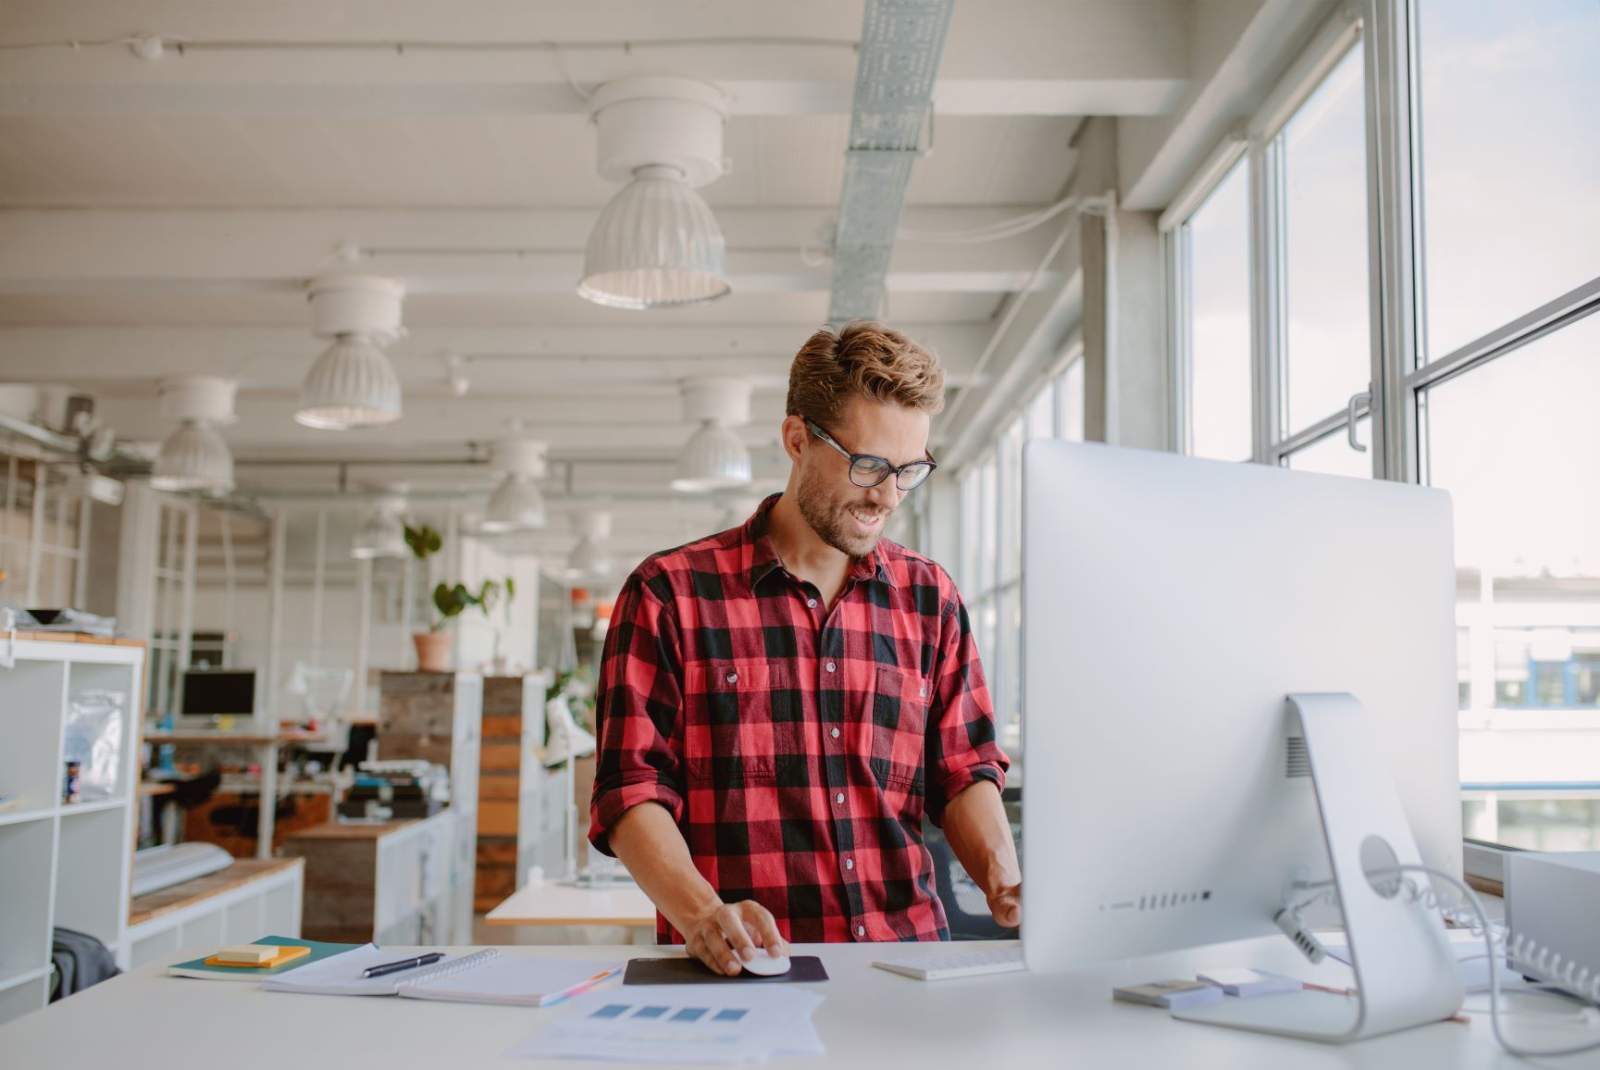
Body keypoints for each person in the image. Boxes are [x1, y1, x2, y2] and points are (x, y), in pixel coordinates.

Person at [588, 321, 1019, 975]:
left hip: (906, 969)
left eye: (910, 470)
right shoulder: (669, 595)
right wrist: (703, 913)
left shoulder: (930, 598)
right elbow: (631, 790)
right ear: (797, 440)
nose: (887, 495)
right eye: (869, 464)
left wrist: (1006, 881)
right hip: (742, 974)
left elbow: (963, 769)